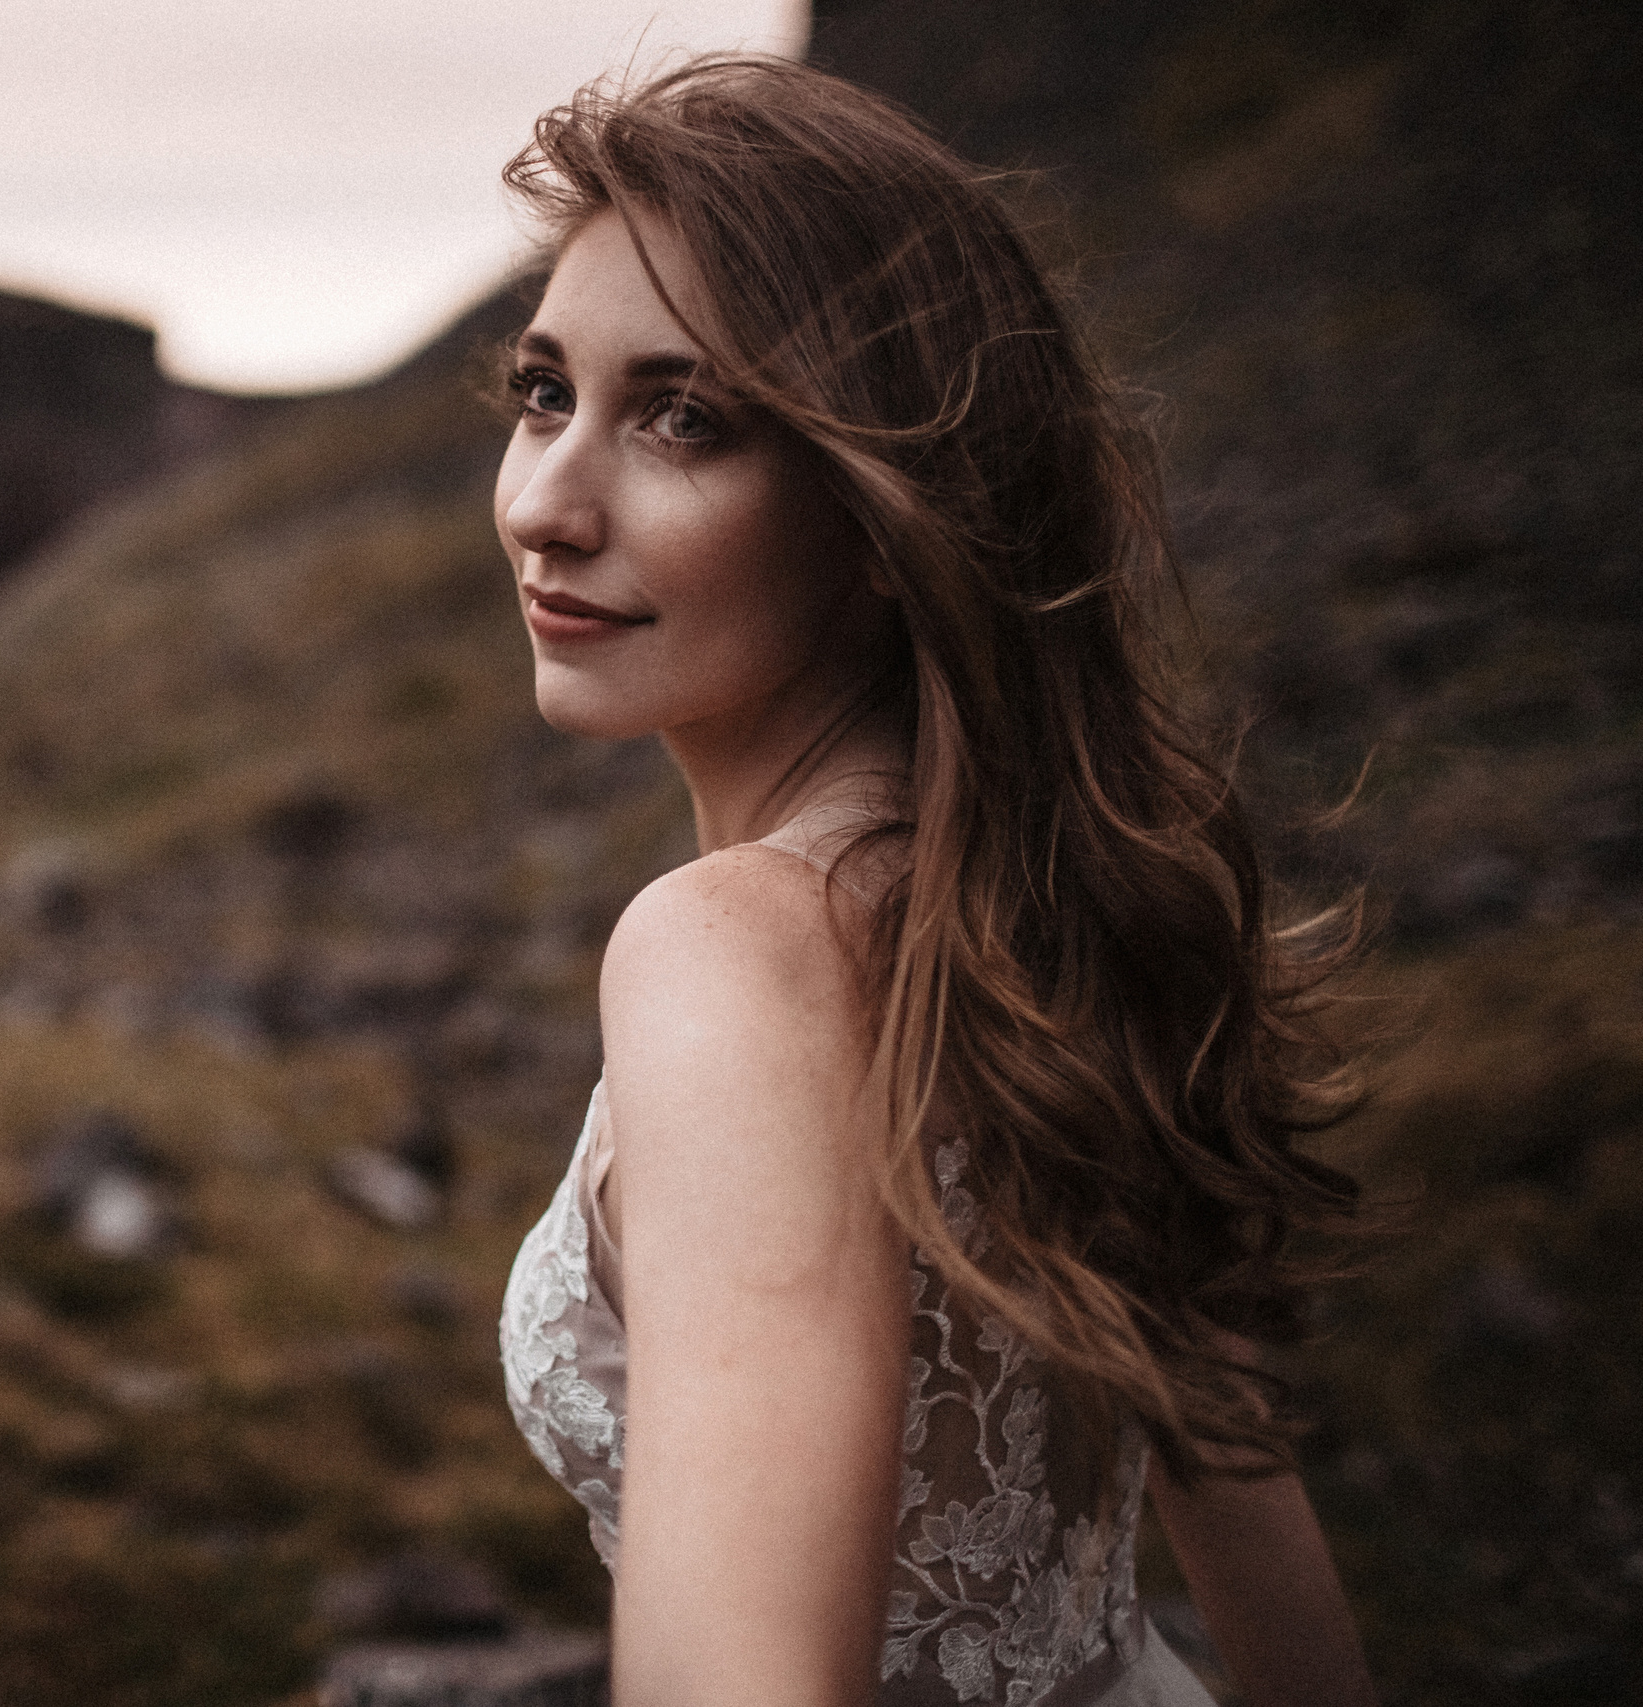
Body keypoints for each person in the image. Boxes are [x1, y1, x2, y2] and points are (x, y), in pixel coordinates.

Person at [493, 56, 1379, 1707]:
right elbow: (1273, 1580)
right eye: (546, 394)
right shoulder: (1062, 899)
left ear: (887, 508)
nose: (546, 505)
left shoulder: (728, 953)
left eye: (683, 418)